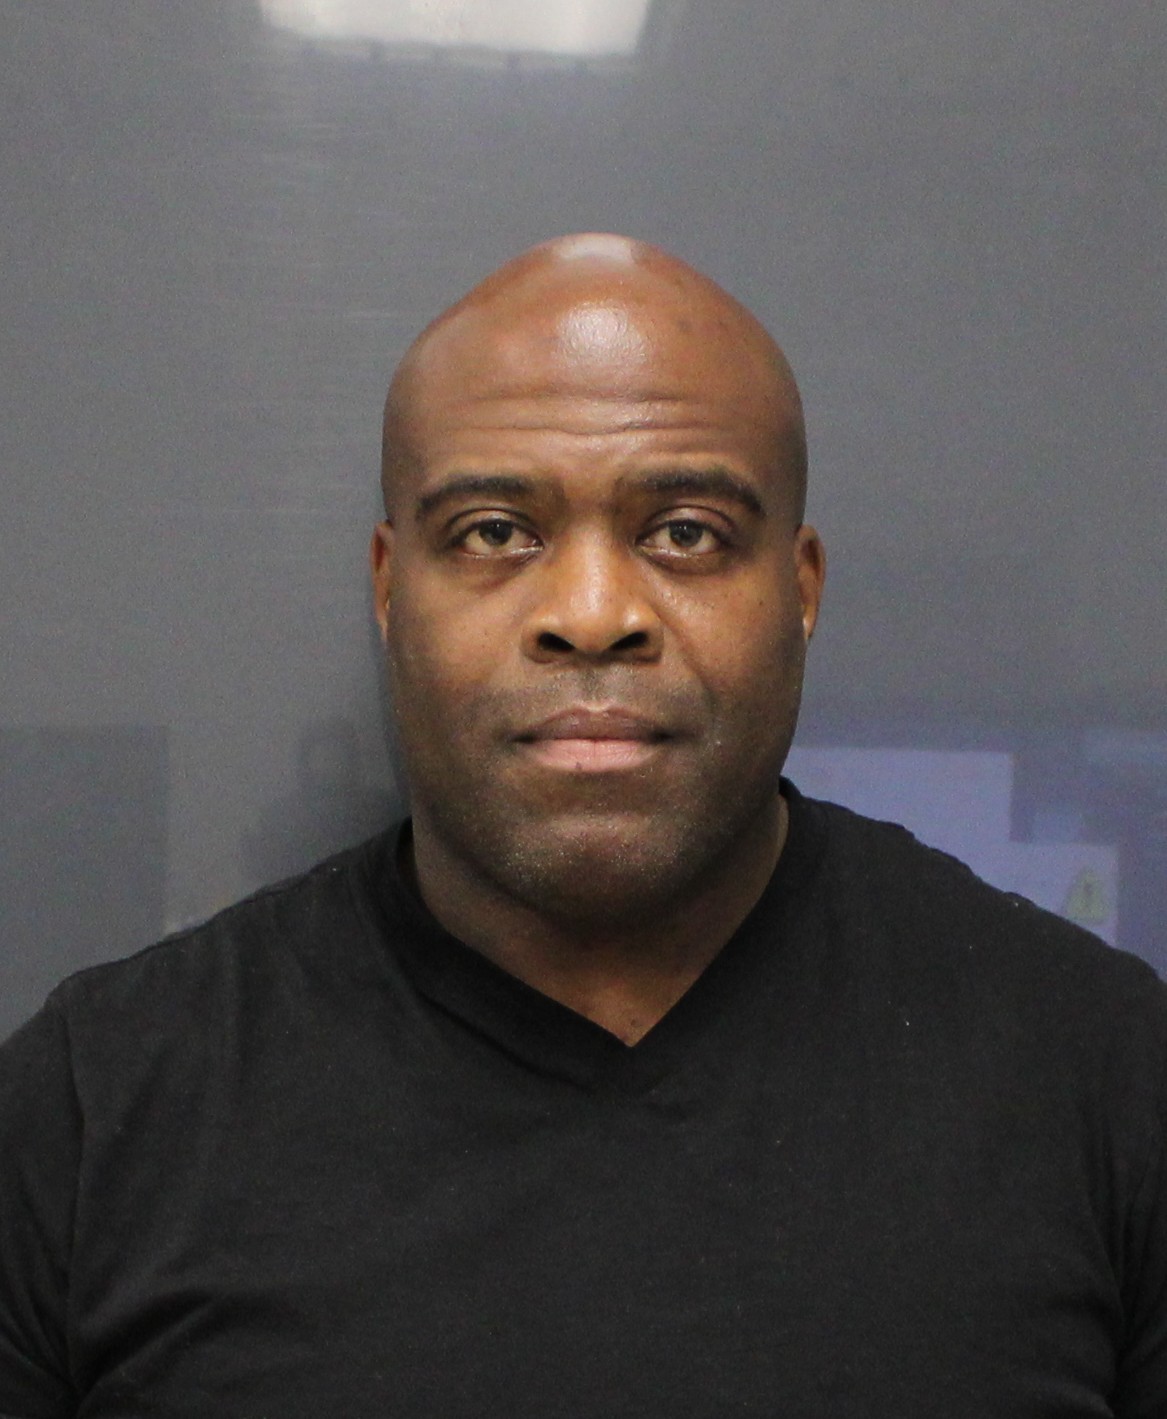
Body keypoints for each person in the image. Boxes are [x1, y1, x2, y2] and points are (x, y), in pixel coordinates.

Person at [0, 233, 1163, 1417]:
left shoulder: (1107, 1082)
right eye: (495, 532)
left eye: (687, 532)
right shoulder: (94, 1114)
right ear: (391, 590)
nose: (594, 614)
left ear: (800, 589)